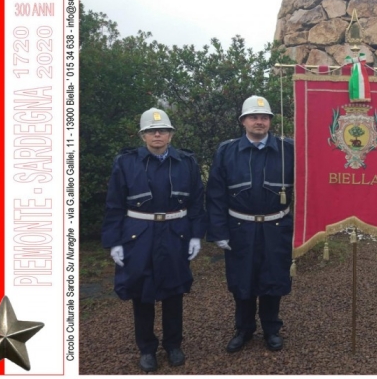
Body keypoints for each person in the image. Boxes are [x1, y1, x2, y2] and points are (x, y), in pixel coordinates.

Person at [101, 107, 206, 372]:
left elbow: (196, 202)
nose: (157, 134)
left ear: (171, 134)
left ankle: (173, 345)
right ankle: (147, 348)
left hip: (175, 234)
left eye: (162, 130)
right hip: (139, 236)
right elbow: (114, 204)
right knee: (142, 294)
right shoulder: (126, 163)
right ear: (143, 135)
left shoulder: (186, 162)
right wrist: (114, 241)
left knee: (174, 293)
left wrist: (196, 235)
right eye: (151, 130)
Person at [206, 95, 294, 353]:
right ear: (243, 121)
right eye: (254, 117)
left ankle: (271, 329)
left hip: (276, 227)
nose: (259, 121)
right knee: (242, 282)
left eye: (264, 117)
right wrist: (218, 231)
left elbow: (310, 184)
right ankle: (243, 329)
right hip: (240, 228)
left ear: (270, 121)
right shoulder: (227, 151)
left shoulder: (288, 149)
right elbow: (216, 194)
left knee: (273, 279)